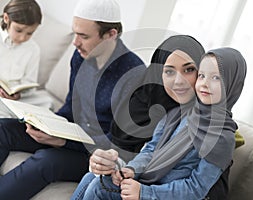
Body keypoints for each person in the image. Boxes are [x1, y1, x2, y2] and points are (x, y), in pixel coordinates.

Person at [0, 0, 145, 199]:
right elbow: (70, 108)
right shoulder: (80, 56)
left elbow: (120, 146)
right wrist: (47, 125)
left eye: (84, 36)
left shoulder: (135, 77)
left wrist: (63, 142)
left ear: (110, 35)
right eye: (75, 33)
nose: (75, 42)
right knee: (3, 129)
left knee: (46, 160)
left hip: (95, 155)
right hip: (70, 134)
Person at [79, 47, 247, 200]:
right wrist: (132, 170)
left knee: (99, 187)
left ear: (232, 83)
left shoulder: (222, 137)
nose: (204, 83)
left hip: (163, 193)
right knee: (92, 178)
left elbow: (196, 189)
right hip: (150, 182)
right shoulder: (180, 112)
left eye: (216, 78)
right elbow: (151, 149)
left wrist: (144, 193)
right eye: (201, 75)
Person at [0, 0, 53, 117]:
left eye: (29, 33)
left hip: (16, 98)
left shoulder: (33, 49)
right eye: (18, 30)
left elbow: (30, 82)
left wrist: (18, 95)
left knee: (47, 102)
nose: (23, 37)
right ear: (6, 18)